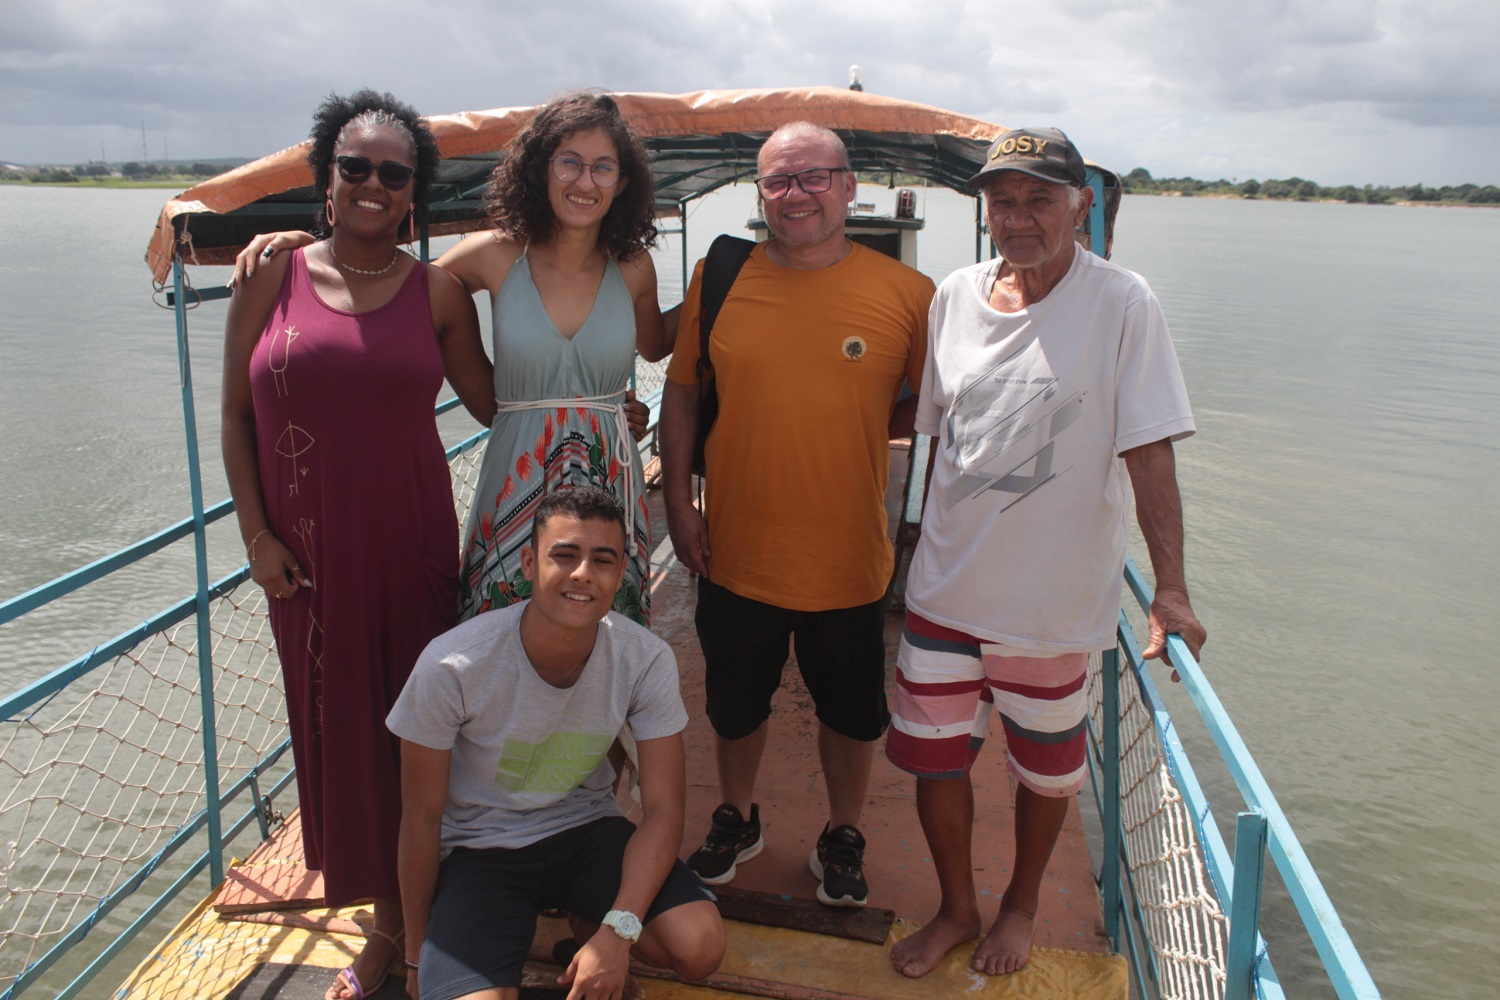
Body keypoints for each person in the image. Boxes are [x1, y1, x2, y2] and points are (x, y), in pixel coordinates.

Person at [883, 127, 1208, 979]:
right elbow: (934, 441)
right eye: (1002, 200)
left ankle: (1021, 903)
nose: (1017, 218)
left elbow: (1151, 451)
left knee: (1046, 774)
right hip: (944, 592)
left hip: (1051, 606)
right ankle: (957, 905)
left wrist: (1169, 589)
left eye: (1038, 199)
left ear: (1080, 206)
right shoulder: (951, 295)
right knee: (935, 758)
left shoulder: (1123, 303)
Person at [221, 89, 495, 1000]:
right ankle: (387, 922)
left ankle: (409, 925)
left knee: (415, 735)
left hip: (408, 543)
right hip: (303, 559)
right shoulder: (270, 274)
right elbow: (233, 414)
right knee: (335, 734)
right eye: (355, 167)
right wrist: (255, 535)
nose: (373, 183)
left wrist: (606, 407)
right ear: (326, 181)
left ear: (414, 192)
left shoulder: (442, 291)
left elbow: (503, 405)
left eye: (394, 172)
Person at [235, 92, 666, 627]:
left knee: (607, 639)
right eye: (569, 162)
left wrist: (709, 291)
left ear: (622, 182)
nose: (585, 181)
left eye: (603, 167)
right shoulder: (492, 253)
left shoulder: (635, 266)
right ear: (540, 169)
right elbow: (391, 285)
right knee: (498, 637)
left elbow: (657, 344)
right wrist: (311, 248)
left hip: (610, 469)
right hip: (519, 474)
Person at [660, 122, 935, 908]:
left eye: (815, 178)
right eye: (779, 181)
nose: (797, 195)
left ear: (851, 187)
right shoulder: (722, 279)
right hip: (737, 549)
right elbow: (681, 389)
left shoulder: (908, 296)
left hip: (850, 557)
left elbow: (934, 403)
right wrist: (679, 501)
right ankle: (737, 815)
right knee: (734, 703)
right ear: (760, 196)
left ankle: (842, 830)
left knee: (851, 715)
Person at [387, 486, 725, 1000]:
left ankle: (592, 927)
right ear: (528, 562)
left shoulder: (644, 659)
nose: (583, 573)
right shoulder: (451, 665)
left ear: (620, 575)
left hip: (585, 831)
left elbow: (662, 811)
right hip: (482, 849)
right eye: (564, 555)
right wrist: (415, 955)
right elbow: (422, 818)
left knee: (699, 948)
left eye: (602, 560)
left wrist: (619, 933)